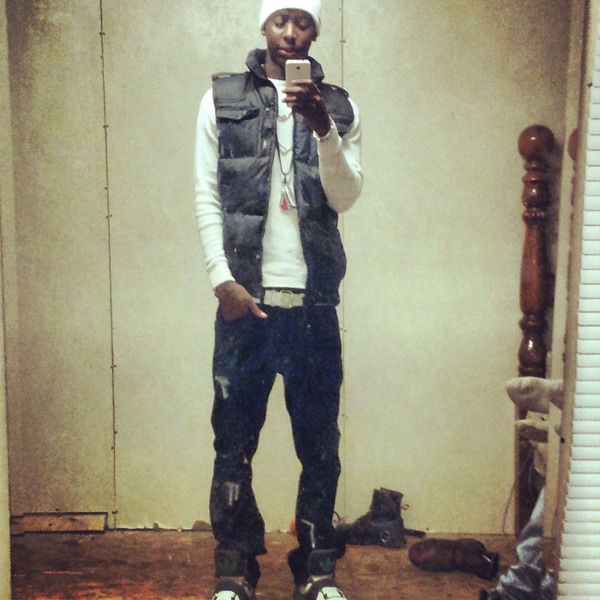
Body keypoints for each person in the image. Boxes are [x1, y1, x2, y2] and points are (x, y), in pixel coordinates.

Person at [193, 1, 362, 598]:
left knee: (320, 446)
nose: (291, 33)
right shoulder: (221, 100)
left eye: (303, 22)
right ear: (264, 25)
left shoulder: (339, 106)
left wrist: (323, 128)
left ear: (315, 31)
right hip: (246, 303)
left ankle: (316, 570)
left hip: (313, 306)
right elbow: (206, 194)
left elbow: (346, 197)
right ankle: (235, 570)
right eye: (280, 20)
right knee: (233, 443)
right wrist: (222, 280)